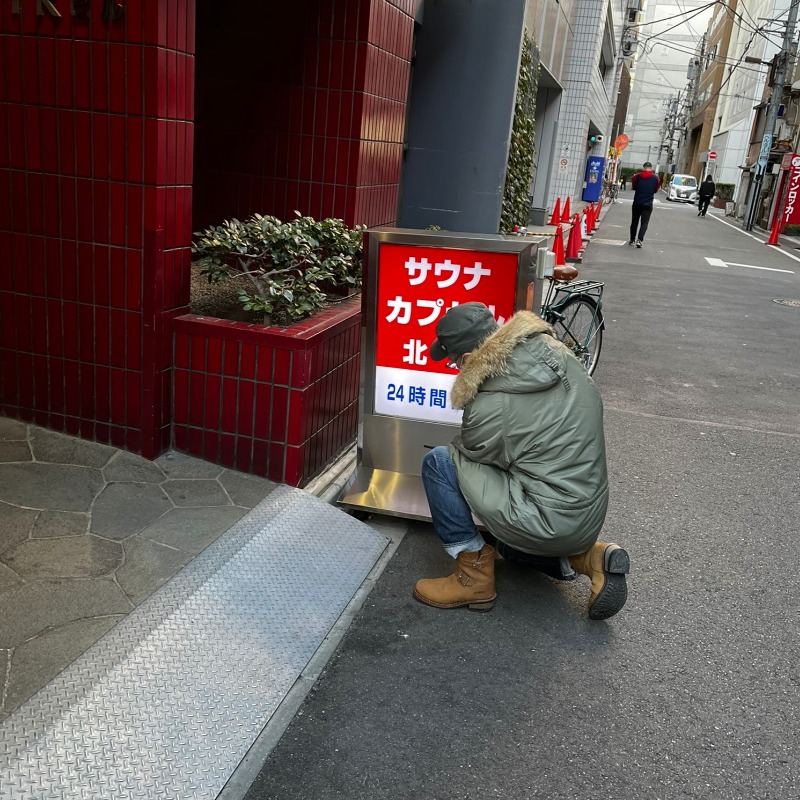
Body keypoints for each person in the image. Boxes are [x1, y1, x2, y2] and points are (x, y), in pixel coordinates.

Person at [414, 302, 630, 621]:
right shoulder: (556, 354)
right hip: (586, 512)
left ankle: (472, 577)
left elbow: (472, 455)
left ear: (470, 359)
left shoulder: (489, 403)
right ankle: (589, 558)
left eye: (455, 363)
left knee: (441, 462)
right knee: (510, 541)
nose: (456, 370)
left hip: (546, 519)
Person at [629, 161, 660, 248]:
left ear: (643, 167)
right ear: (651, 168)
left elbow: (633, 187)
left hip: (637, 202)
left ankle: (632, 239)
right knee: (644, 223)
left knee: (634, 221)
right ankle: (640, 239)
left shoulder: (637, 176)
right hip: (648, 203)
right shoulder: (655, 178)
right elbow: (656, 189)